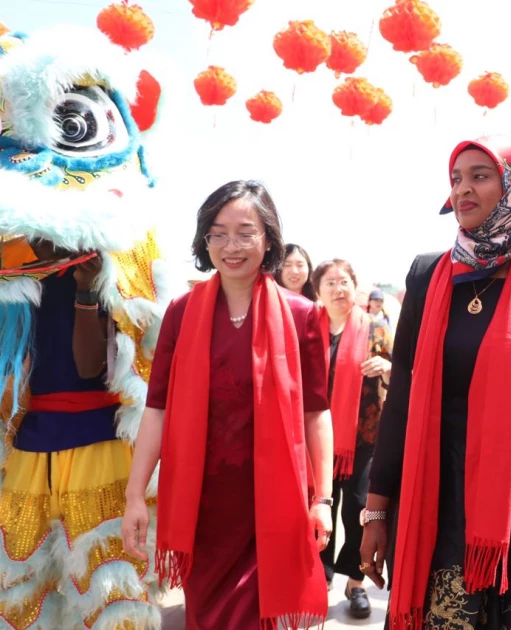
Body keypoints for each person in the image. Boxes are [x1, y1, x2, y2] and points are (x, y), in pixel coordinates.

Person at [359, 136, 511, 629]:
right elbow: (402, 399)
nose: (463, 190)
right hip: (437, 506)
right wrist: (376, 511)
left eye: (480, 176)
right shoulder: (429, 275)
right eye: (456, 178)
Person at [122, 181, 334, 630]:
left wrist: (323, 498)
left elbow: (316, 412)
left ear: (269, 239)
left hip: (273, 507)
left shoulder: (302, 316)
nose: (230, 246)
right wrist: (135, 494)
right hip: (203, 507)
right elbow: (156, 408)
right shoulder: (181, 313)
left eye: (245, 232)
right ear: (204, 240)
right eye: (218, 234)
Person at [313, 259, 393, 618]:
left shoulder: (376, 328)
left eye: (343, 281)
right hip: (316, 439)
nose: (337, 289)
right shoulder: (308, 330)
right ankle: (317, 580)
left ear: (354, 286)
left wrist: (388, 367)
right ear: (318, 291)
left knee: (359, 508)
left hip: (365, 437)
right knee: (317, 508)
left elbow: (405, 370)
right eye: (329, 283)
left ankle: (355, 582)